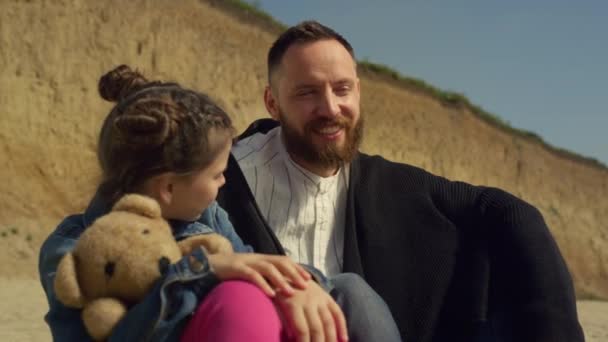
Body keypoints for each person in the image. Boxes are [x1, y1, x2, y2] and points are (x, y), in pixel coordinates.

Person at [216, 21, 585, 342]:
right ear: (272, 103)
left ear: (358, 92)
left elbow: (507, 212)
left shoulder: (390, 184)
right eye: (307, 92)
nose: (330, 109)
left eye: (342, 89)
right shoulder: (221, 179)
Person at [38, 65, 402, 341]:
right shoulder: (75, 248)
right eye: (215, 175)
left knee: (350, 290)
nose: (224, 181)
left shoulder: (206, 215)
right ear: (167, 187)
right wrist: (201, 271)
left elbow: (252, 264)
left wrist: (297, 285)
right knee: (239, 298)